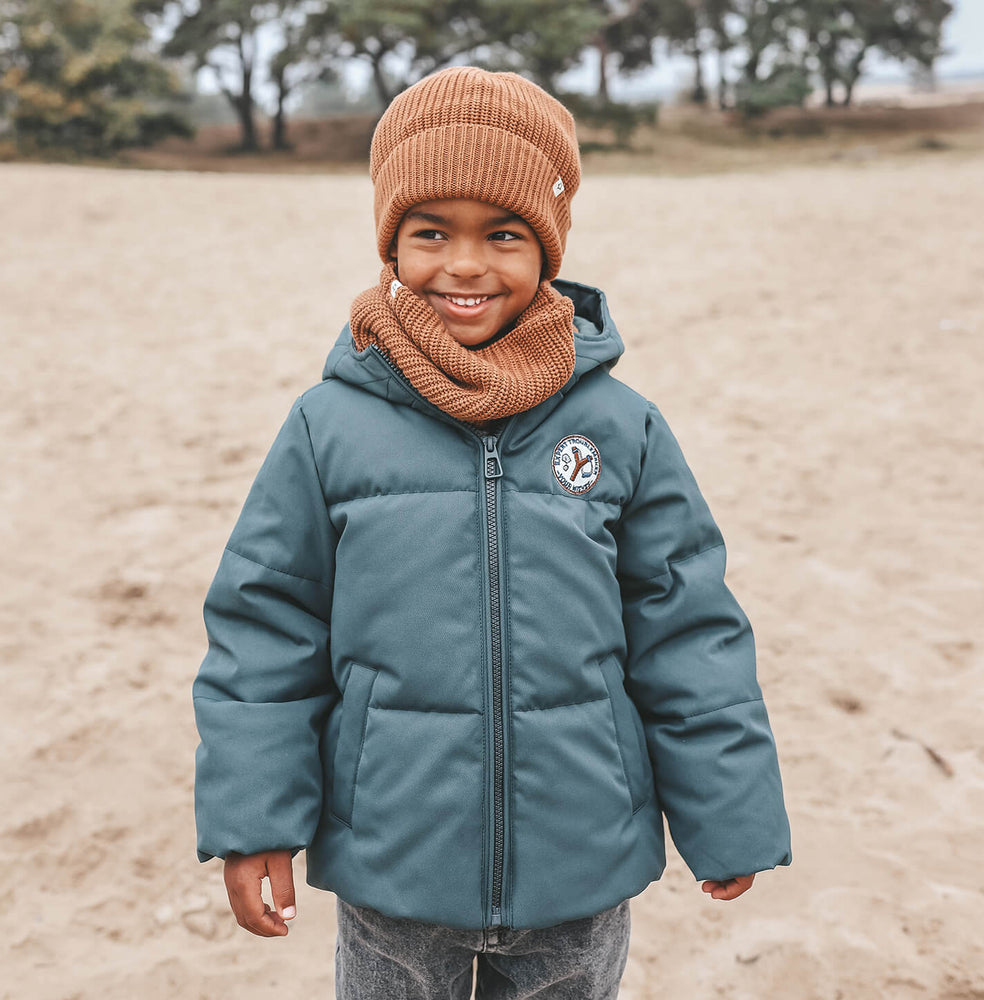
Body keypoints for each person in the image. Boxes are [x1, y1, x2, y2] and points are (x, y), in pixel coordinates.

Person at [193, 66, 791, 999]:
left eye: (503, 235)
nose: (465, 265)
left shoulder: (621, 426)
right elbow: (267, 625)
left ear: (546, 247)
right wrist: (254, 816)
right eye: (432, 233)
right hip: (393, 862)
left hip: (580, 864)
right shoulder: (327, 426)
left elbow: (687, 628)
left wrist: (729, 810)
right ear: (392, 243)